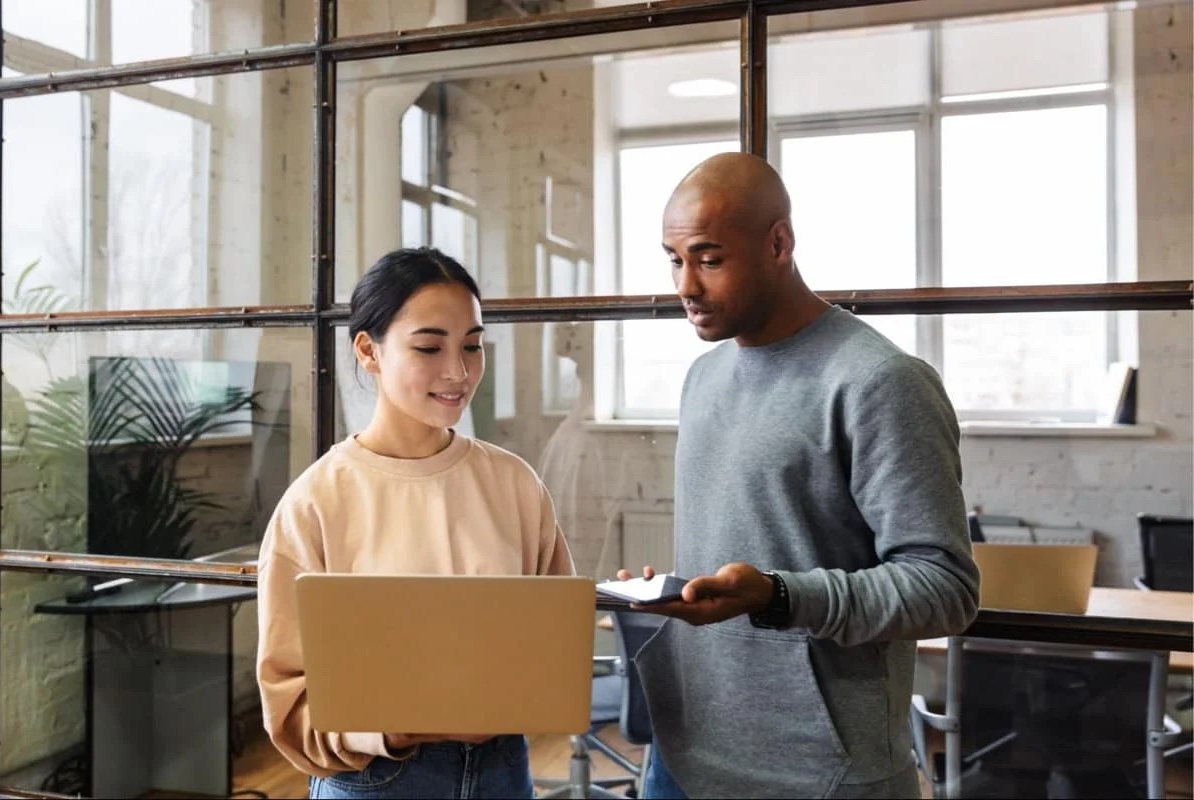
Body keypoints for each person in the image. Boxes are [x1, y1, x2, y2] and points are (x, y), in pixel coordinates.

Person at [618, 153, 981, 799]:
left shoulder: (878, 381)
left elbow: (944, 587)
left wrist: (779, 597)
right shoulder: (703, 377)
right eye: (674, 260)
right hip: (681, 759)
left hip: (820, 774)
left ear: (779, 243)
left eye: (709, 257)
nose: (686, 285)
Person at [256, 247, 575, 800]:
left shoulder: (515, 484)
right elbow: (288, 703)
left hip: (503, 770)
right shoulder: (315, 503)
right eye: (429, 347)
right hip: (375, 777)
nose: (458, 371)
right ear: (368, 350)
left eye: (473, 346)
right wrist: (394, 726)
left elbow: (554, 648)